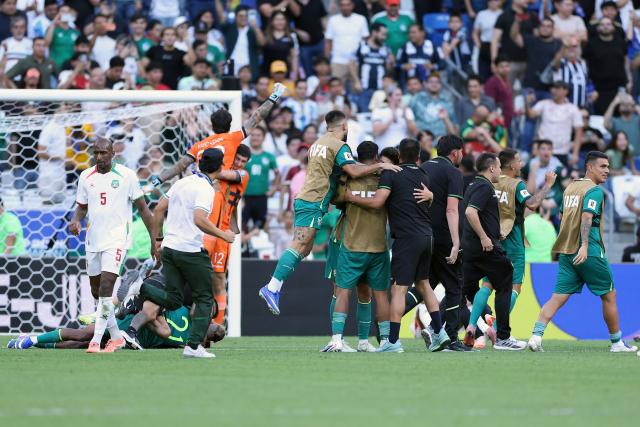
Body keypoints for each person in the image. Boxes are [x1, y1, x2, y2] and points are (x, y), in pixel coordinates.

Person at [258, 110, 400, 315]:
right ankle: (271, 287)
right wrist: (380, 165)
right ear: (344, 127)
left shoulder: (316, 145)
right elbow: (353, 171)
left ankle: (275, 288)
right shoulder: (339, 146)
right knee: (299, 245)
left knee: (305, 250)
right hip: (313, 201)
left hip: (307, 200)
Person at [119, 149, 234, 359]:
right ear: (220, 167)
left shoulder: (182, 182)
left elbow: (159, 208)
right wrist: (222, 235)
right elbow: (200, 219)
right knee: (206, 298)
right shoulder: (207, 190)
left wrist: (157, 241)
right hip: (189, 250)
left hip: (170, 249)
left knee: (173, 299)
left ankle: (140, 287)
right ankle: (193, 346)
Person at [344, 138, 448, 353]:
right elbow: (426, 198)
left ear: (399, 156)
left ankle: (392, 341)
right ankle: (440, 333)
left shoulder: (392, 174)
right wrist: (432, 196)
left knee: (399, 289)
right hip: (426, 236)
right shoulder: (423, 174)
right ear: (418, 156)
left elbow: (377, 201)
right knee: (424, 284)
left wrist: (350, 197)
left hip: (407, 238)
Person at [528, 151, 638, 353]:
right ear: (589, 167)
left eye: (607, 166)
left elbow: (562, 215)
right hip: (589, 251)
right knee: (609, 295)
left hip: (566, 251)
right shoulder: (594, 190)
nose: (607, 171)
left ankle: (536, 336)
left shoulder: (571, 187)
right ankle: (617, 343)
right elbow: (587, 217)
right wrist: (585, 245)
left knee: (558, 297)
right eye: (602, 166)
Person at [68, 137, 156, 354]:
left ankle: (95, 341)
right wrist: (76, 220)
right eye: (96, 153)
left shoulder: (127, 176)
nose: (99, 157)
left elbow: (144, 210)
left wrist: (155, 239)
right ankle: (116, 337)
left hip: (117, 239)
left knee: (107, 286)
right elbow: (81, 206)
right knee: (97, 292)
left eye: (103, 153)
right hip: (93, 240)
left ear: (112, 154)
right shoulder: (85, 176)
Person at [465, 149, 557, 347]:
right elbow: (532, 204)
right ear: (510, 165)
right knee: (513, 287)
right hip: (513, 241)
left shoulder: (491, 183)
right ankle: (498, 330)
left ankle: (472, 326)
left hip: (492, 239)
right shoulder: (516, 184)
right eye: (519, 160)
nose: (521, 163)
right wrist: (548, 185)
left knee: (488, 285)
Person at [321, 141, 391, 353]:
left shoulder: (347, 178)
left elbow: (336, 199)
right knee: (374, 294)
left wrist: (352, 197)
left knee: (342, 292)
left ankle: (337, 339)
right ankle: (383, 341)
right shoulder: (385, 178)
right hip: (378, 245)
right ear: (377, 156)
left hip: (351, 244)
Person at [461, 153, 526, 350]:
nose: (499, 171)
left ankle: (468, 327)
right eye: (497, 167)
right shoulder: (484, 186)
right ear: (491, 168)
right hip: (487, 247)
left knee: (469, 288)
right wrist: (484, 236)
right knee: (506, 284)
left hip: (470, 248)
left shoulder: (471, 184)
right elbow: (470, 212)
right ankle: (502, 336)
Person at [417, 135, 471, 351]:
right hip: (443, 238)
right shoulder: (453, 173)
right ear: (455, 152)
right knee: (455, 286)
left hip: (422, 235)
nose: (463, 155)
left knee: (424, 284)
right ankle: (449, 337)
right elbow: (451, 209)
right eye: (462, 151)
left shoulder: (424, 168)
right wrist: (456, 242)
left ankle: (387, 328)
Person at [205, 145, 252, 326]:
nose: (239, 163)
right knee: (200, 277)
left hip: (222, 234)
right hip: (207, 230)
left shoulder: (241, 175)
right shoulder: (220, 171)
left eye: (243, 161)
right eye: (237, 159)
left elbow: (221, 175)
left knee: (218, 278)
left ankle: (216, 324)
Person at [526, 80, 583, 167]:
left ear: (566, 91)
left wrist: (575, 154)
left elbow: (579, 132)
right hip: (542, 151)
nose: (553, 90)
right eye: (553, 88)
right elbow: (531, 114)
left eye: (557, 88)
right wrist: (527, 103)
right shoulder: (544, 104)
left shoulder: (573, 109)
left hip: (561, 152)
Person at [584, 17, 631, 114]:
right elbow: (585, 65)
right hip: (598, 90)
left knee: (618, 117)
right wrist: (589, 86)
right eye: (602, 24)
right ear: (598, 28)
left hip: (619, 88)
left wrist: (629, 79)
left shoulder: (621, 42)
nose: (605, 27)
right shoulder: (591, 44)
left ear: (613, 27)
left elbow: (626, 61)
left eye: (608, 24)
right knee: (599, 118)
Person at [324, 0, 369, 88]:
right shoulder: (333, 20)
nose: (345, 8)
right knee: (336, 89)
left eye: (348, 5)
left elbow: (365, 40)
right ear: (339, 7)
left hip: (356, 62)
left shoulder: (361, 19)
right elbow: (328, 42)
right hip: (337, 61)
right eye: (343, 5)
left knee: (356, 90)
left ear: (352, 6)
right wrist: (327, 61)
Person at [350, 22, 393, 113]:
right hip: (364, 89)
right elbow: (351, 64)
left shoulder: (386, 48)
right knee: (365, 114)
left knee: (380, 115)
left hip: (380, 90)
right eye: (382, 34)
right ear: (374, 32)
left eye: (385, 35)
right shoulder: (361, 46)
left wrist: (391, 64)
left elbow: (389, 69)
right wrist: (356, 81)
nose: (384, 38)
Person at [243, 127, 280, 230]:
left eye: (258, 135)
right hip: (245, 197)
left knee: (260, 226)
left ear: (263, 138)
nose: (255, 138)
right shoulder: (244, 155)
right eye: (253, 135)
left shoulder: (269, 156)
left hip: (261, 197)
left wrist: (273, 188)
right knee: (242, 225)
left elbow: (277, 173)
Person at [409, 73, 457, 138]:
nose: (434, 84)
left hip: (443, 140)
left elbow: (454, 125)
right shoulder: (417, 99)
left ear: (440, 85)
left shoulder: (447, 102)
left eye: (437, 82)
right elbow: (409, 120)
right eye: (431, 82)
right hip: (423, 140)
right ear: (426, 84)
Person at [371, 85, 417, 150]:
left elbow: (414, 132)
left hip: (403, 151)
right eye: (397, 95)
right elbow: (376, 131)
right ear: (389, 97)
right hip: (385, 151)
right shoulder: (378, 111)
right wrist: (392, 117)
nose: (400, 97)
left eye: (401, 95)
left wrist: (406, 116)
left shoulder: (407, 110)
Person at [472, 0, 503, 80]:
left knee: (498, 77)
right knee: (483, 76)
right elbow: (475, 33)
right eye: (491, 1)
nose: (494, 3)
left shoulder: (503, 14)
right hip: (485, 46)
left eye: (496, 1)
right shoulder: (481, 14)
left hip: (499, 47)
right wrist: (479, 45)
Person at [484, 56, 514, 129]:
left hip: (508, 120)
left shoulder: (507, 81)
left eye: (507, 66)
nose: (505, 69)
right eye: (502, 66)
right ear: (496, 68)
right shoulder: (492, 83)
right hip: (498, 122)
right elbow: (489, 103)